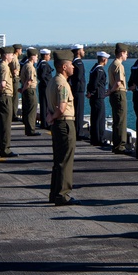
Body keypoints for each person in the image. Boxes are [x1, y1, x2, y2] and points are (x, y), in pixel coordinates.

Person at [45, 49, 77, 205]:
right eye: (71, 64)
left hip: (57, 125)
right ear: (64, 67)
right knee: (66, 160)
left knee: (58, 160)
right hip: (65, 123)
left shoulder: (52, 81)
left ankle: (55, 193)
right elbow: (62, 107)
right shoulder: (62, 83)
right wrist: (54, 116)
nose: (73, 67)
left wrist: (50, 117)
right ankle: (63, 194)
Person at [0, 46, 17, 157]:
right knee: (6, 124)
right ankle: (5, 149)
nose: (12, 57)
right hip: (5, 97)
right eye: (11, 55)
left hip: (0, 97)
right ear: (6, 55)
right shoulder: (5, 67)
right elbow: (3, 84)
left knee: (0, 123)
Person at [108, 43, 129, 154]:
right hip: (119, 93)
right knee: (121, 120)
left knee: (117, 120)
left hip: (114, 95)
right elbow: (118, 82)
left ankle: (116, 144)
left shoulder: (112, 64)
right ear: (121, 53)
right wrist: (111, 90)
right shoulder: (118, 65)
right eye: (126, 53)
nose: (127, 55)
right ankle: (121, 146)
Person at [87, 51, 109, 146]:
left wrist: (89, 92)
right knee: (100, 118)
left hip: (95, 96)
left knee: (95, 117)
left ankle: (94, 138)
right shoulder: (99, 70)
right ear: (104, 60)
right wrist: (92, 92)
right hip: (98, 96)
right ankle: (99, 139)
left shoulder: (94, 68)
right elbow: (95, 83)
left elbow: (91, 83)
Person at [20, 48, 41, 136]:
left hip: (27, 90)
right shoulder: (30, 67)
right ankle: (31, 130)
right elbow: (29, 81)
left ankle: (28, 129)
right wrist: (23, 90)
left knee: (28, 109)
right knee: (32, 110)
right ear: (32, 57)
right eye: (36, 56)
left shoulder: (25, 65)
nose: (37, 58)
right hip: (30, 90)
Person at [71, 44, 88, 141]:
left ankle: (77, 131)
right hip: (79, 90)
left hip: (76, 89)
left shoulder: (74, 62)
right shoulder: (79, 63)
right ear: (78, 52)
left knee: (77, 111)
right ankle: (79, 132)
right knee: (79, 111)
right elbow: (78, 77)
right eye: (82, 50)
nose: (84, 52)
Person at [36, 49, 54, 129]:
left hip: (43, 86)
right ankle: (45, 123)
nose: (49, 57)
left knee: (44, 105)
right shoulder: (44, 64)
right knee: (45, 105)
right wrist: (48, 85)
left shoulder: (40, 63)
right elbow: (43, 76)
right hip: (45, 86)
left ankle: (44, 122)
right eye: (48, 55)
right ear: (45, 55)